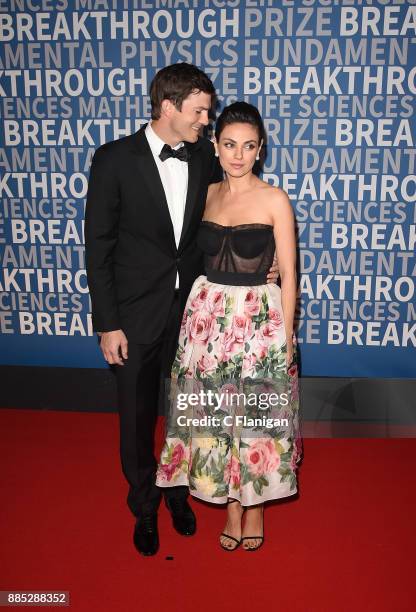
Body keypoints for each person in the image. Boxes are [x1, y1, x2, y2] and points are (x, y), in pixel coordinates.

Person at [85, 65, 279, 557]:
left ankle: (179, 494)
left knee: (189, 413)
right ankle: (145, 507)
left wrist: (265, 266)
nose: (206, 120)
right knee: (135, 418)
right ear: (168, 107)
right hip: (133, 315)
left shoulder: (205, 158)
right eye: (199, 111)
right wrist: (108, 323)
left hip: (197, 317)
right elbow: (98, 247)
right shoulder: (113, 160)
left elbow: (236, 214)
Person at [156, 102, 302, 552]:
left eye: (249, 146)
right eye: (230, 144)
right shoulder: (206, 194)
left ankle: (254, 505)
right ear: (216, 147)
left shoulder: (275, 198)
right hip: (208, 321)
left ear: (261, 150)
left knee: (256, 414)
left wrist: (288, 335)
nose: (238, 154)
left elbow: (291, 274)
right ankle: (230, 505)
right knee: (215, 413)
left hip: (259, 319)